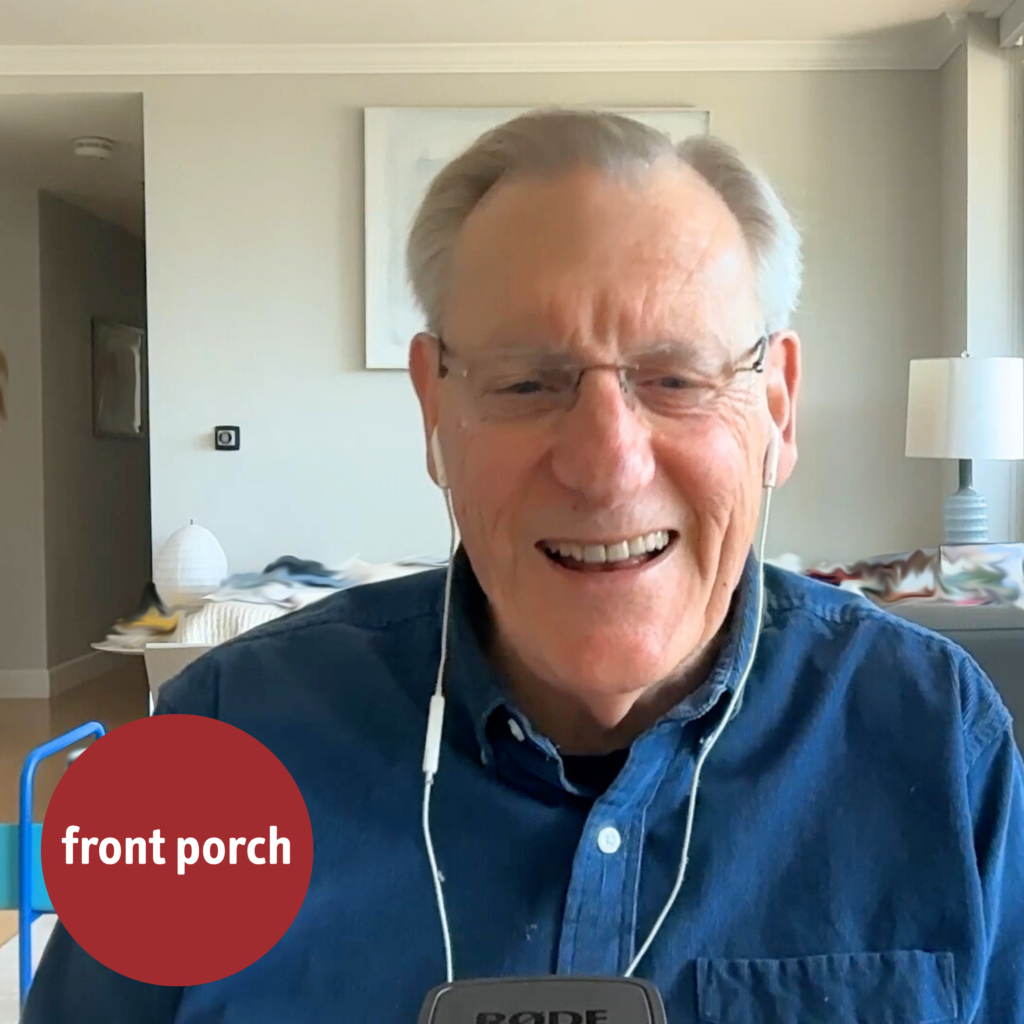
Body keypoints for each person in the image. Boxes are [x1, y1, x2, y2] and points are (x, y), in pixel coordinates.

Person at [25, 109, 1024, 1022]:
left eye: (677, 378)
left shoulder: (940, 741)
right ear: (435, 410)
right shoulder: (213, 746)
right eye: (525, 382)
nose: (605, 463)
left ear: (777, 408)